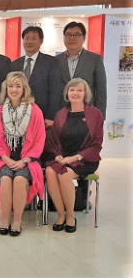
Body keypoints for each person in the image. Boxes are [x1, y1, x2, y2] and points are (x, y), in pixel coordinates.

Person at [0, 72, 46, 237]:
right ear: (5, 89)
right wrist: (6, 159)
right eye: (11, 86)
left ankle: (17, 221)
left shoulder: (35, 111)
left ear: (24, 89)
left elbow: (40, 140)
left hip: (27, 160)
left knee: (20, 179)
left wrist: (25, 160)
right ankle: (4, 220)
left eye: (18, 86)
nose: (14, 89)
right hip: (4, 159)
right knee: (5, 179)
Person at [45, 78, 103, 233]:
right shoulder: (61, 114)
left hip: (85, 159)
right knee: (50, 172)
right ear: (67, 93)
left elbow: (96, 144)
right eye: (72, 90)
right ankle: (61, 214)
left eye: (79, 90)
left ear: (85, 94)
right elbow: (54, 140)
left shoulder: (95, 114)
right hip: (64, 157)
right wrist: (57, 155)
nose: (75, 93)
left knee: (63, 174)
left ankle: (70, 216)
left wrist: (76, 157)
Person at [11, 27, 64, 128]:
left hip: (42, 116)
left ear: (41, 41)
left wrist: (51, 116)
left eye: (33, 38)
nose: (30, 41)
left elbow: (56, 91)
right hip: (18, 116)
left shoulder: (51, 62)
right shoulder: (14, 65)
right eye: (27, 38)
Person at [55, 21, 107, 119]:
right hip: (62, 114)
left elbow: (101, 91)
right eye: (68, 35)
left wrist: (100, 117)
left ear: (84, 38)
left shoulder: (95, 59)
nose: (72, 38)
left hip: (87, 114)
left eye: (76, 35)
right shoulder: (56, 60)